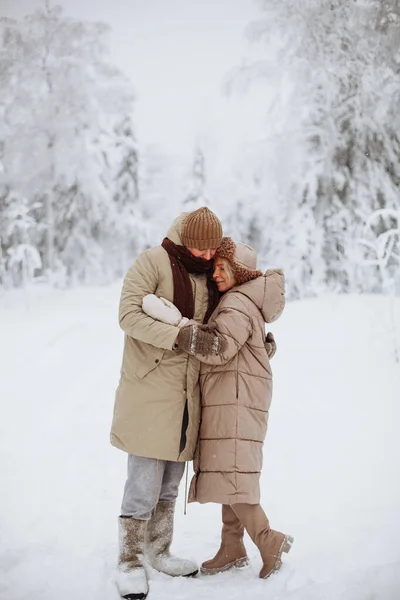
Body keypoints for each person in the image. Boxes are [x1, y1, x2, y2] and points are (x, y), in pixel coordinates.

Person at [142, 237, 293, 581]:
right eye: (215, 269)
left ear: (239, 272)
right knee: (232, 472)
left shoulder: (236, 303)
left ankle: (269, 541)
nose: (217, 274)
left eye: (224, 268)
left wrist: (182, 331)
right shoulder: (241, 301)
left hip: (236, 401)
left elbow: (219, 348)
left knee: (232, 474)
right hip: (237, 396)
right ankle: (232, 546)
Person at [110, 207, 223, 600]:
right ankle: (128, 560)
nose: (206, 256)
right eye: (199, 247)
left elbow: (225, 323)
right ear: (182, 237)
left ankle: (159, 551)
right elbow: (128, 315)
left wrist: (259, 345)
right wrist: (179, 338)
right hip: (148, 386)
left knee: (171, 482)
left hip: (188, 392)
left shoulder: (210, 273)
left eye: (212, 250)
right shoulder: (153, 261)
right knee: (143, 482)